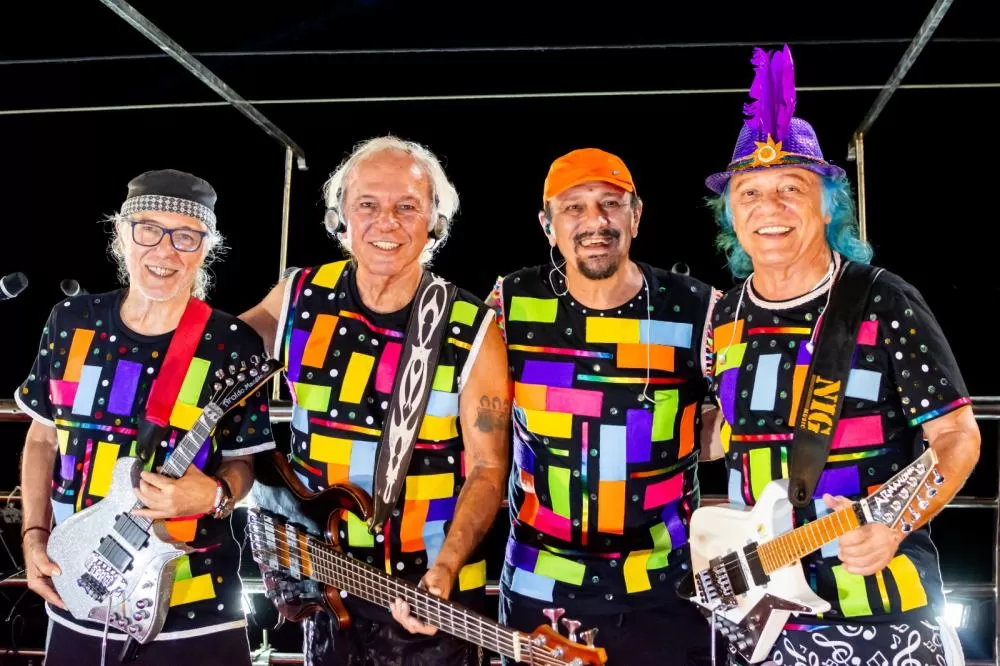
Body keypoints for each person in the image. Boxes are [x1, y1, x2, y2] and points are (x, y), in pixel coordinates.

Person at [699, 45, 980, 665]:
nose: (768, 209)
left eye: (791, 188)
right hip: (767, 611)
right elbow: (726, 438)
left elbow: (958, 437)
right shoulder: (724, 315)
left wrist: (895, 525)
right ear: (731, 214)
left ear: (829, 203)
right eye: (749, 193)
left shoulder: (884, 300)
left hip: (883, 607)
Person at [240, 135, 510, 666]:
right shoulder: (298, 296)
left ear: (435, 220)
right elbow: (213, 365)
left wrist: (448, 567)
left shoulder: (472, 326)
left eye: (407, 206)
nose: (386, 221)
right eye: (368, 204)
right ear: (340, 214)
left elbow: (487, 467)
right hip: (324, 577)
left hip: (430, 590)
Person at [15, 169, 276, 665]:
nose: (165, 250)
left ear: (206, 247)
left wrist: (215, 493)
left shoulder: (230, 343)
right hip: (77, 586)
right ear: (121, 233)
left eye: (186, 236)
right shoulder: (70, 322)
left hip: (195, 601)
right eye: (148, 229)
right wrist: (34, 535)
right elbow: (42, 440)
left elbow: (245, 464)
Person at [486, 147, 724, 665]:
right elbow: (476, 422)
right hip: (540, 585)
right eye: (573, 207)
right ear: (547, 224)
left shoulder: (695, 305)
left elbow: (742, 417)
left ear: (636, 215)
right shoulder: (510, 304)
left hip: (668, 585)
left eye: (611, 203)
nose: (595, 221)